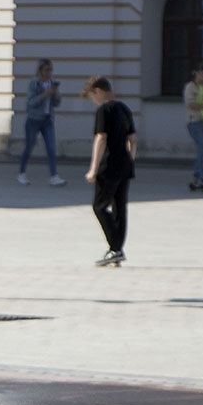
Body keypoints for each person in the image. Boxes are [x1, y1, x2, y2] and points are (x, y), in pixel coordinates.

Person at [82, 76, 137, 267]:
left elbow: (101, 139)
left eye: (91, 97)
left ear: (97, 91)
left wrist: (93, 169)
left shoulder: (103, 110)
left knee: (99, 206)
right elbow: (133, 140)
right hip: (125, 165)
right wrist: (130, 160)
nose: (93, 101)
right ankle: (117, 250)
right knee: (119, 208)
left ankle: (114, 248)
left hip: (109, 165)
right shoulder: (124, 108)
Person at [17, 59, 66, 187]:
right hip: (33, 120)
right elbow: (31, 102)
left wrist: (55, 93)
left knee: (51, 148)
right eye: (46, 70)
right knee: (29, 146)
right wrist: (45, 94)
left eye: (50, 70)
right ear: (40, 71)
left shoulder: (51, 84)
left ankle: (54, 176)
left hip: (47, 120)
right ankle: (21, 173)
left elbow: (57, 103)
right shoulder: (34, 83)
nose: (49, 72)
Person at [183, 63, 203, 192]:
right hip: (194, 121)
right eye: (202, 72)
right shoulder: (190, 87)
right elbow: (191, 105)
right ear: (196, 73)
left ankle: (195, 180)